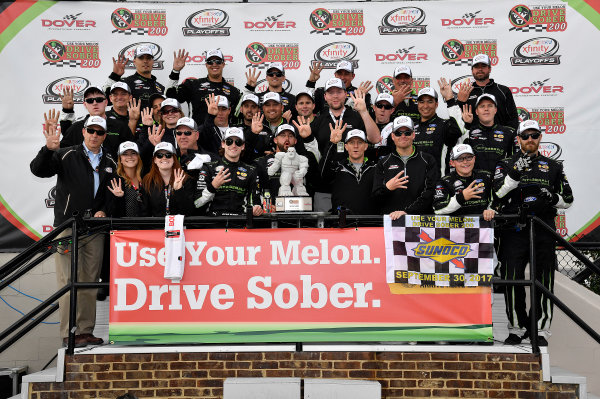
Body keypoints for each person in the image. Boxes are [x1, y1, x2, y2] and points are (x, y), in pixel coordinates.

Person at [31, 114, 116, 348]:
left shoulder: (110, 160)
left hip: (95, 230)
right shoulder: (67, 153)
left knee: (89, 280)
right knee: (68, 280)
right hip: (69, 227)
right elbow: (39, 170)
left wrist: (103, 211)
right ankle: (70, 332)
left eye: (100, 132)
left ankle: (86, 330)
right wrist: (48, 150)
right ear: (83, 132)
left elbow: (109, 193)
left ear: (105, 136)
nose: (95, 136)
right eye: (91, 131)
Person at [494, 119, 573, 346]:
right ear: (518, 139)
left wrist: (553, 197)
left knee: (544, 280)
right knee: (512, 280)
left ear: (540, 138)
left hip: (543, 229)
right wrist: (516, 172)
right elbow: (497, 193)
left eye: (534, 135)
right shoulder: (505, 163)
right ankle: (517, 328)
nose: (530, 139)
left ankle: (540, 330)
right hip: (512, 230)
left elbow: (568, 199)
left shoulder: (554, 166)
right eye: (525, 136)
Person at [372, 116, 439, 218]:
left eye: (407, 132)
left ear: (413, 135)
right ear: (393, 136)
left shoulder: (428, 160)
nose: (403, 136)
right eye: (398, 133)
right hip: (391, 222)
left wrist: (408, 212)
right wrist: (387, 188)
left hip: (420, 221)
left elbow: (430, 193)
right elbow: (375, 198)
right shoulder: (383, 163)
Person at [194, 128, 263, 216]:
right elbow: (197, 203)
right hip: (214, 223)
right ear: (223, 144)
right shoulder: (208, 168)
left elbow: (255, 202)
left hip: (240, 223)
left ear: (243, 146)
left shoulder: (251, 171)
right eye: (229, 141)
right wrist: (212, 186)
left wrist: (256, 208)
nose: (233, 145)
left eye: (238, 142)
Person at [166, 49, 241, 126]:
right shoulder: (193, 85)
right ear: (206, 65)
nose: (214, 64)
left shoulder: (233, 91)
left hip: (223, 135)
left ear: (223, 64)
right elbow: (170, 96)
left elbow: (238, 117)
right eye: (210, 62)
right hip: (199, 135)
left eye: (218, 61)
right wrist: (175, 71)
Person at [446, 53, 518, 129]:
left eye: (483, 66)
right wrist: (460, 102)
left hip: (500, 138)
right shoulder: (465, 92)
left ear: (489, 69)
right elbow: (456, 122)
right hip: (474, 138)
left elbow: (513, 118)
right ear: (472, 70)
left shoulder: (503, 91)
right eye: (476, 66)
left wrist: (508, 136)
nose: (480, 69)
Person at [59, 86, 134, 159]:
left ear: (106, 102)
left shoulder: (120, 126)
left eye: (99, 99)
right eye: (90, 100)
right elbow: (62, 155)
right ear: (85, 104)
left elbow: (132, 153)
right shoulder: (76, 127)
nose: (95, 103)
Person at [257, 124, 320, 204]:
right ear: (275, 140)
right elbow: (257, 189)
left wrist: (308, 139)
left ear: (295, 141)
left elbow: (316, 180)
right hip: (272, 211)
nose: (287, 139)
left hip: (299, 211)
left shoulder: (303, 159)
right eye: (283, 136)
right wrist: (266, 205)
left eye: (290, 136)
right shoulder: (263, 162)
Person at [320, 129, 379, 215]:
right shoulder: (338, 167)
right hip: (343, 224)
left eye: (359, 142)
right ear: (346, 147)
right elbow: (322, 173)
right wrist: (332, 144)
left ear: (366, 146)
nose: (356, 146)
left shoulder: (375, 168)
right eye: (351, 143)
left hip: (369, 223)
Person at [433, 144, 495, 220]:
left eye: (469, 157)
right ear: (452, 163)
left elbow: (497, 198)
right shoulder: (444, 181)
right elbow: (438, 209)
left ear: (474, 159)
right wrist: (462, 197)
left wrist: (491, 209)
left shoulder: (486, 176)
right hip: (456, 228)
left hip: (483, 227)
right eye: (460, 159)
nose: (465, 162)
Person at [461, 94, 518, 174]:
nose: (486, 109)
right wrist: (467, 124)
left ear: (495, 110)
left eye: (490, 106)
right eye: (482, 106)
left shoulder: (509, 132)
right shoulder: (469, 132)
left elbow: (515, 159)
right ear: (476, 111)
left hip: (501, 181)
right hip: (477, 182)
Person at [413, 87, 462, 176]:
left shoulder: (445, 125)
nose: (425, 106)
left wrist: (450, 100)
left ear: (436, 104)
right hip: (415, 182)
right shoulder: (411, 127)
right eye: (422, 102)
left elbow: (458, 130)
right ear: (417, 104)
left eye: (430, 101)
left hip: (439, 183)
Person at [104, 45, 165, 111]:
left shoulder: (160, 87)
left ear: (153, 62)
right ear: (134, 61)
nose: (145, 61)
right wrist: (114, 76)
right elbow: (105, 100)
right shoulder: (127, 82)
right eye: (141, 58)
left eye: (148, 58)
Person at [142, 142, 195, 217]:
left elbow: (189, 211)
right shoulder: (147, 180)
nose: (164, 158)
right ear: (154, 160)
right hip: (156, 227)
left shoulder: (186, 179)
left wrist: (179, 191)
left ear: (174, 159)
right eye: (159, 155)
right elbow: (145, 211)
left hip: (180, 226)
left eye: (168, 155)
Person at [305, 61, 372, 113]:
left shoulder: (360, 93)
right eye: (340, 74)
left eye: (346, 74)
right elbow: (309, 109)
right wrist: (311, 83)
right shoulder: (322, 91)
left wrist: (358, 96)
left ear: (353, 76)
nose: (342, 77)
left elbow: (365, 117)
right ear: (335, 75)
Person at [107, 141, 145, 217]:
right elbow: (110, 211)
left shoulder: (145, 178)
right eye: (125, 154)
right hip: (124, 227)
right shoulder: (115, 180)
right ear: (120, 159)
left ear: (138, 157)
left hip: (144, 227)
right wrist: (117, 197)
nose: (129, 157)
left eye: (133, 153)